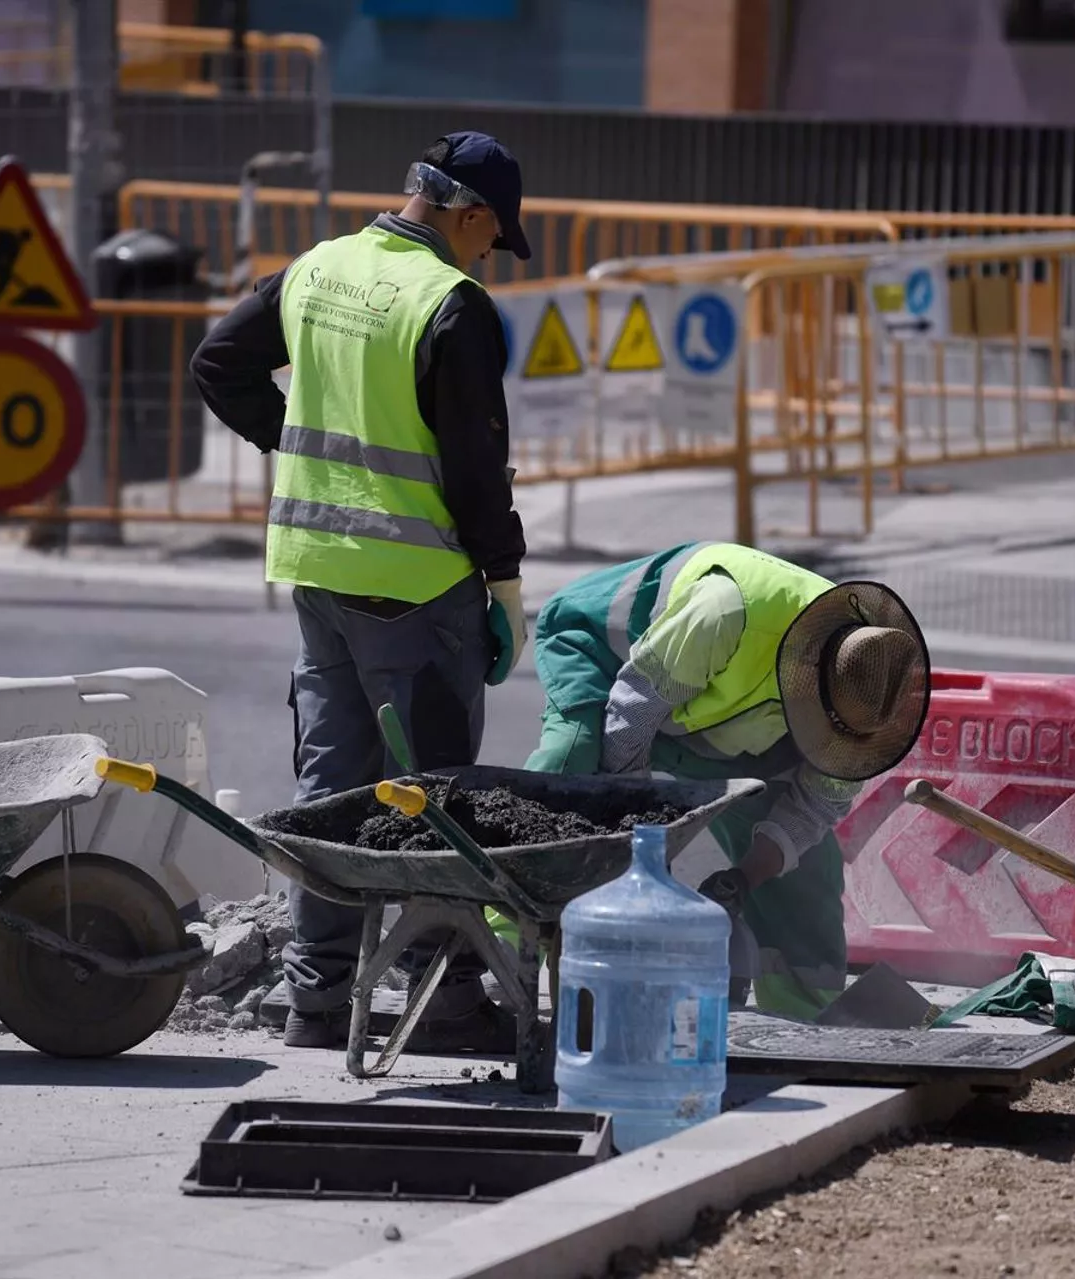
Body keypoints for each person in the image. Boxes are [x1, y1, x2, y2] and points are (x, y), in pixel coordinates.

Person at [190, 131, 531, 1050]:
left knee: (334, 787)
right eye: (493, 239)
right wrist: (503, 579)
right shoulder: (449, 304)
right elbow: (475, 467)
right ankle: (445, 1003)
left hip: (317, 572)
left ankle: (315, 1000)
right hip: (418, 586)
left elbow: (217, 362)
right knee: (434, 796)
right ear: (470, 216)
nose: (487, 256)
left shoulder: (318, 269)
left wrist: (294, 443)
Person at [522, 541, 930, 1021]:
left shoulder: (871, 697)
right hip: (607, 658)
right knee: (570, 766)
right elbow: (629, 718)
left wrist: (744, 879)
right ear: (806, 678)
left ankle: (804, 1011)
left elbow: (815, 808)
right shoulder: (726, 614)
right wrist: (647, 859)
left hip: (716, 725)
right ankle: (503, 944)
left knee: (807, 866)